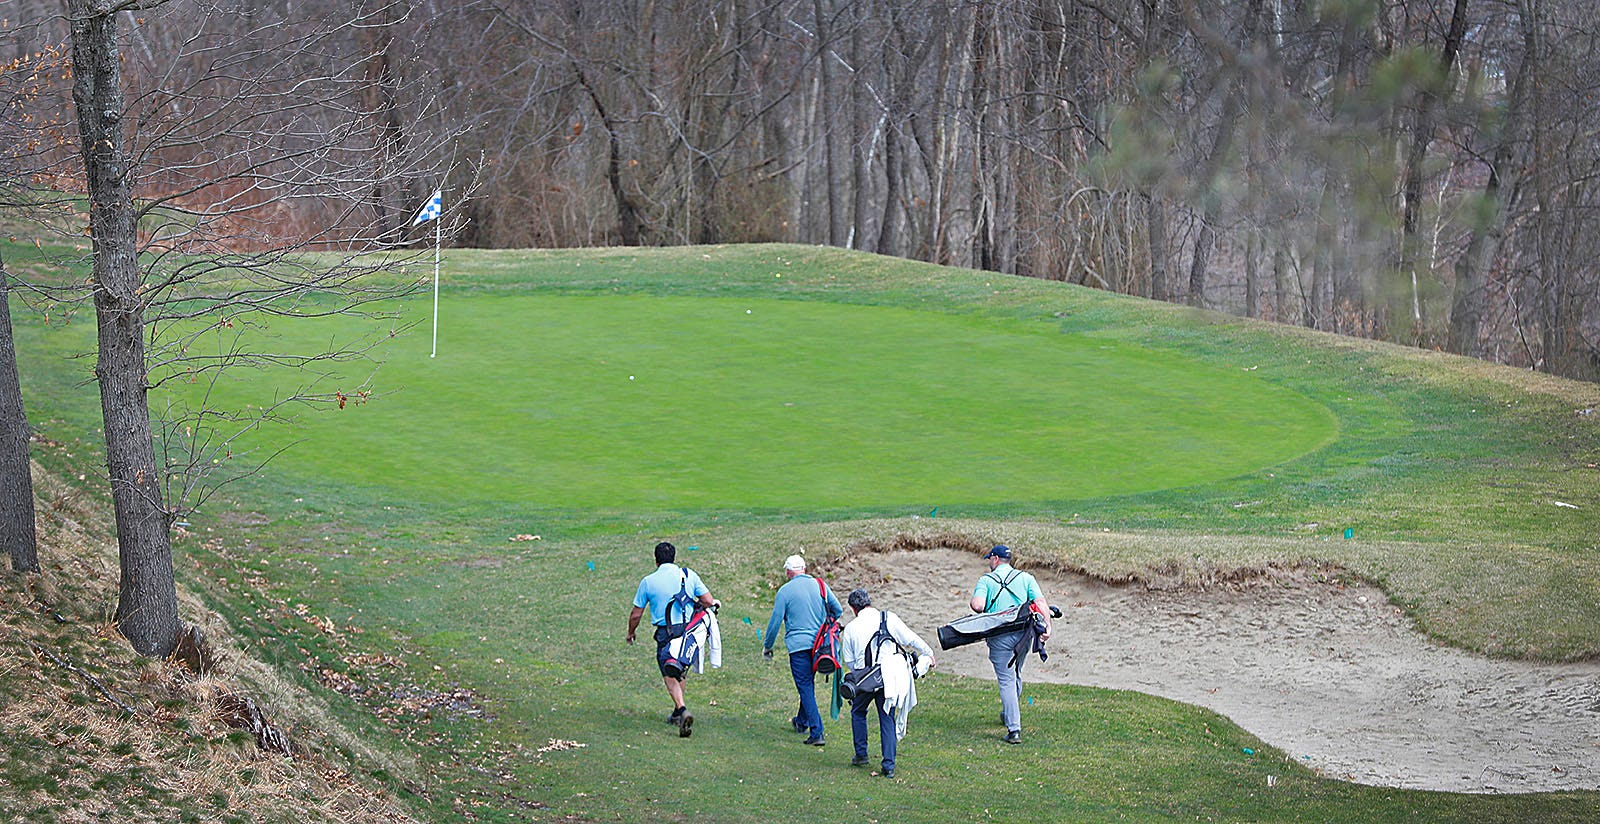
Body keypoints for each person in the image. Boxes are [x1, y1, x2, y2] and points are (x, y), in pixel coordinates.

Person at [839, 588, 934, 779]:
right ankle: (888, 764)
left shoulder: (850, 628)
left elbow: (848, 661)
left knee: (858, 712)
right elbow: (910, 638)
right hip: (888, 676)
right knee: (887, 717)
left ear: (853, 608)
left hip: (864, 680)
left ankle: (861, 754)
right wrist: (928, 652)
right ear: (869, 602)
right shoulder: (888, 618)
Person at [626, 541, 718, 738]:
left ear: (656, 560)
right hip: (688, 631)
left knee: (669, 673)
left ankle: (682, 709)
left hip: (666, 633)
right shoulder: (688, 575)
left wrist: (631, 633)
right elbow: (709, 600)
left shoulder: (649, 581)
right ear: (674, 557)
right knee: (680, 670)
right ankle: (677, 713)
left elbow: (636, 614)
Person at [969, 544, 1051, 744]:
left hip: (999, 637)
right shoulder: (1026, 578)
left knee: (1006, 680)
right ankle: (1008, 713)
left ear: (995, 559)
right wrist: (1048, 627)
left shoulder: (986, 580)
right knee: (1015, 673)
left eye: (990, 559)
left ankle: (1013, 728)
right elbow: (1040, 602)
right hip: (1024, 635)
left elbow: (977, 605)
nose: (989, 562)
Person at [762, 554, 843, 745]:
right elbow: (837, 610)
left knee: (805, 686)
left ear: (788, 571)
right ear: (804, 569)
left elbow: (775, 622)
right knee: (807, 685)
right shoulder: (820, 585)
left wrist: (768, 645)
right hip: (820, 646)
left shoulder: (784, 592)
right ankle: (802, 721)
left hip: (798, 646)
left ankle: (817, 732)